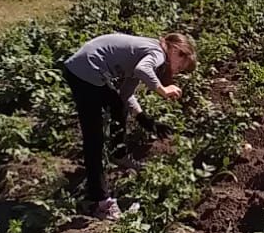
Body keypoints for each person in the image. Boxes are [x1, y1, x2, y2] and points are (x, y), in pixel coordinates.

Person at [62, 31, 197, 219]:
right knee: (94, 139)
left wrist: (142, 117)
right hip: (86, 72)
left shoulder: (146, 52)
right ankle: (102, 202)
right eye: (180, 67)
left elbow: (124, 96)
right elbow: (144, 70)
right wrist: (163, 90)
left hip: (84, 69)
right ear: (176, 51)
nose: (176, 72)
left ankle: (119, 155)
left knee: (117, 105)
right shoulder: (158, 52)